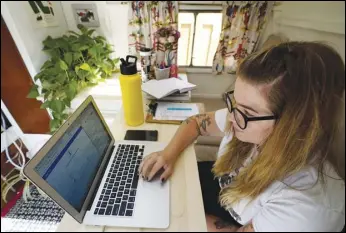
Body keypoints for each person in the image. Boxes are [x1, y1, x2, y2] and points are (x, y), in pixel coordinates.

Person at [139, 41, 345, 232]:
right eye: (235, 102)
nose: (232, 117)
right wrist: (167, 154)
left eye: (248, 112)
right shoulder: (242, 119)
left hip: (234, 217)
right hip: (224, 189)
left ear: (295, 124)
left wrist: (185, 216)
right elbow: (195, 122)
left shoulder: (304, 204)